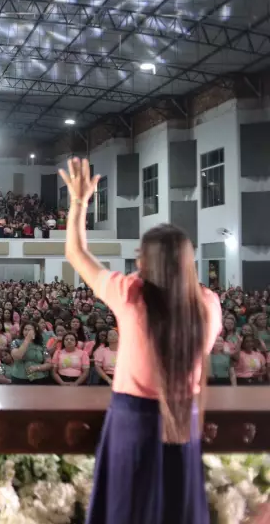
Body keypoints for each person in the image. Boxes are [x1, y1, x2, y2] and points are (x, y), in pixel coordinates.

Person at [60, 157, 221, 524]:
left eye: (139, 255)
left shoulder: (131, 294)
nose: (134, 261)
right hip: (183, 418)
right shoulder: (209, 305)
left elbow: (76, 253)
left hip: (134, 422)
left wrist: (79, 202)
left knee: (126, 510)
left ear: (148, 264)